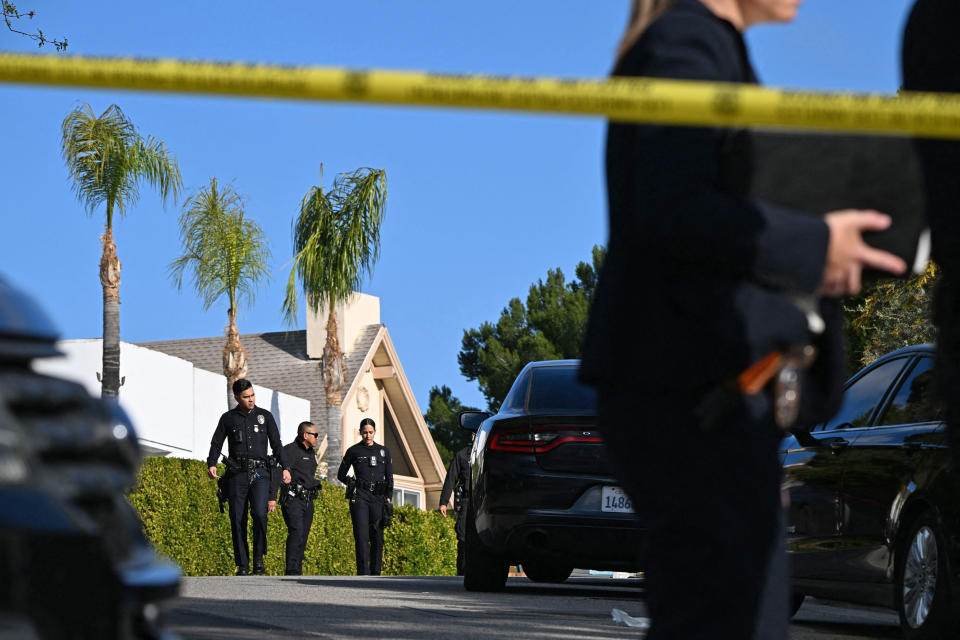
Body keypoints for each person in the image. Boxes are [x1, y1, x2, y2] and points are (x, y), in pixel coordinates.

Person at [579, 1, 906, 637]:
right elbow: (673, 207)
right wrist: (814, 245)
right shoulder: (687, 47)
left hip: (701, 395)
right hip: (688, 393)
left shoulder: (703, 47)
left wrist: (821, 253)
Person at [207, 379, 290, 576]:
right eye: (246, 397)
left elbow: (277, 444)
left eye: (252, 395)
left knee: (260, 514)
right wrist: (211, 462)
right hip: (237, 473)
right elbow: (216, 442)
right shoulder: (228, 418)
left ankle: (258, 560)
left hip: (260, 472)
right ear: (237, 397)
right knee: (237, 518)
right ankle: (242, 564)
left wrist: (286, 467)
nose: (251, 400)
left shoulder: (265, 416)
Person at [337, 418, 393, 576]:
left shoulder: (384, 451)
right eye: (365, 432)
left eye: (370, 432)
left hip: (378, 497)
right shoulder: (353, 451)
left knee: (377, 536)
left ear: (375, 432)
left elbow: (389, 477)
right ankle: (363, 573)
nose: (368, 435)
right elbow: (340, 474)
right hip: (360, 497)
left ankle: (376, 573)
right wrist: (352, 483)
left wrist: (388, 497)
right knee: (361, 536)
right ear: (360, 432)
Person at [270, 421, 322, 576]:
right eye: (315, 435)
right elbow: (277, 473)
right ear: (305, 435)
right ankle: (291, 569)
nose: (317, 438)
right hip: (292, 499)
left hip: (308, 500)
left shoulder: (311, 453)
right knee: (296, 531)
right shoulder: (290, 451)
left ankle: (297, 569)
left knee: (303, 535)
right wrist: (271, 497)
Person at [438, 440, 471, 576]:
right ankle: (462, 575)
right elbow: (451, 479)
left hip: (485, 501)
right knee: (463, 538)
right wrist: (443, 502)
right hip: (466, 501)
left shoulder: (491, 453)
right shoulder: (462, 455)